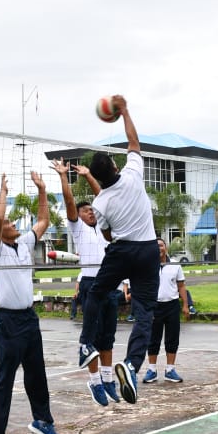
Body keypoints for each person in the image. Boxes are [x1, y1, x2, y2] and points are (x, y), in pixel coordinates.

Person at [79, 95, 159, 405]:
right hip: (149, 250)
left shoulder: (100, 203)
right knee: (144, 313)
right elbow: (133, 142)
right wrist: (124, 110)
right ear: (116, 166)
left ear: (98, 177)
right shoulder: (133, 174)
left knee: (96, 293)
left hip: (122, 250)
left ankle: (86, 343)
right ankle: (133, 365)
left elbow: (107, 234)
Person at [0, 172, 63, 434]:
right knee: (5, 379)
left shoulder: (25, 243)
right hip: (8, 321)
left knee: (37, 373)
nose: (14, 223)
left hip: (29, 318)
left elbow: (44, 220)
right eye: (9, 223)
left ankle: (42, 420)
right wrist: (2, 192)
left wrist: (42, 189)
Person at [51, 157, 123, 406]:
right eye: (85, 211)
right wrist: (64, 176)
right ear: (78, 216)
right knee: (91, 338)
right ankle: (94, 382)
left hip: (109, 284)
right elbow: (69, 202)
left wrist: (89, 175)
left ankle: (108, 379)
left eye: (92, 210)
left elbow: (103, 197)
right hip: (90, 284)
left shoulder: (104, 226)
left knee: (108, 337)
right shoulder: (78, 229)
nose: (90, 212)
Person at [144, 238, 189, 384]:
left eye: (161, 245)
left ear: (166, 248)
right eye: (155, 246)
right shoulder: (147, 264)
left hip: (172, 305)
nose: (159, 248)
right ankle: (151, 370)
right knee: (153, 338)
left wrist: (185, 305)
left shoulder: (175, 264)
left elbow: (181, 286)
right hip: (154, 306)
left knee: (172, 338)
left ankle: (170, 370)